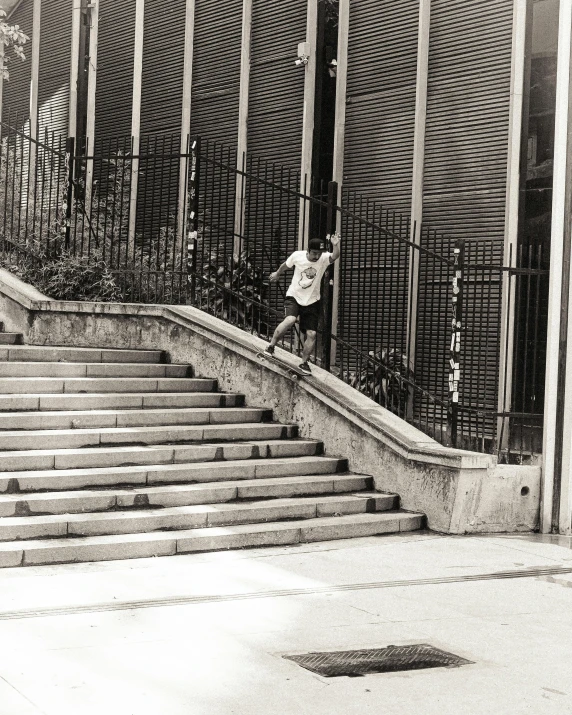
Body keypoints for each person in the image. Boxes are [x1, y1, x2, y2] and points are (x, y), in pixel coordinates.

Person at [266, 233, 341, 374]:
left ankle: (304, 363)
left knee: (312, 334)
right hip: (294, 296)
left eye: (319, 253)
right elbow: (285, 265)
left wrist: (335, 244)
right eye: (314, 253)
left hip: (312, 300)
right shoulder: (297, 256)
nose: (316, 257)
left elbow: (335, 256)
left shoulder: (323, 259)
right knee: (290, 319)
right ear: (308, 251)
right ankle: (271, 346)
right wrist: (277, 273)